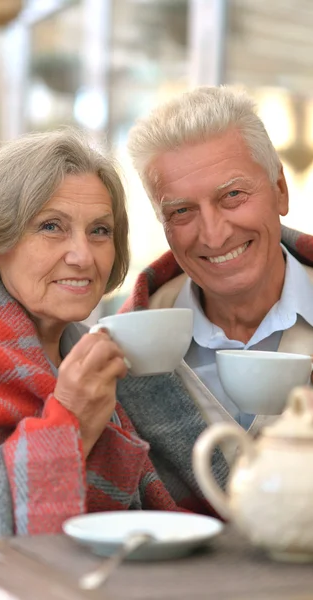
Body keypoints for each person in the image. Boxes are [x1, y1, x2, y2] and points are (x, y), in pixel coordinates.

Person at [0, 129, 188, 544]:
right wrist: (69, 423)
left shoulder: (89, 350)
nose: (82, 256)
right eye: (51, 226)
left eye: (99, 231)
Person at [116, 86, 313, 507]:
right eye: (181, 211)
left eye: (232, 196)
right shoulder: (122, 356)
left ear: (280, 189)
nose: (214, 233)